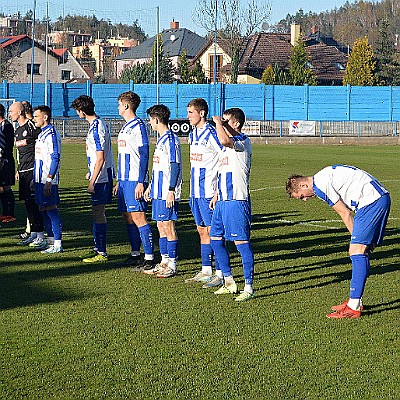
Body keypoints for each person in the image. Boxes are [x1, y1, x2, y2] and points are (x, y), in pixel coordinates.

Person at [286, 165, 391, 319]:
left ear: (303, 185)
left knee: (356, 251)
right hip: (376, 198)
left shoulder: (320, 185)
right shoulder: (322, 176)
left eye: (302, 196)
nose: (305, 199)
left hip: (371, 202)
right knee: (361, 251)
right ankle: (356, 300)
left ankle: (353, 306)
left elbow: (345, 213)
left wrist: (355, 237)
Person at [210, 108, 255, 301]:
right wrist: (217, 193)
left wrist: (219, 123)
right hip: (222, 201)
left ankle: (249, 287)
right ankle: (229, 281)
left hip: (237, 201)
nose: (222, 123)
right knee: (215, 239)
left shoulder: (243, 142)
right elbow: (224, 172)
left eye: (227, 121)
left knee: (241, 244)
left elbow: (224, 140)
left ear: (235, 124)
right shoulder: (226, 149)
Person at [71, 95, 115, 263]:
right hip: (98, 175)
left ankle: (102, 252)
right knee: (96, 213)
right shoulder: (95, 125)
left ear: (81, 111)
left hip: (101, 179)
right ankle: (97, 247)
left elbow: (101, 157)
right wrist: (91, 172)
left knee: (99, 213)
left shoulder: (97, 127)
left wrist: (92, 181)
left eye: (77, 110)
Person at [185, 98, 224, 287]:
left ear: (202, 113)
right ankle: (206, 269)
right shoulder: (193, 134)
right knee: (201, 230)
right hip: (195, 192)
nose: (188, 116)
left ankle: (220, 272)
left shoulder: (211, 133)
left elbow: (225, 156)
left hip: (209, 191)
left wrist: (219, 190)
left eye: (191, 112)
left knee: (213, 231)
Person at [114, 91, 154, 270]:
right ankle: (135, 253)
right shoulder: (125, 127)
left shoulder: (139, 126)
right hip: (124, 181)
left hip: (134, 180)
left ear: (126, 105)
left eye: (119, 104)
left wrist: (140, 182)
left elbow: (144, 154)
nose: (118, 107)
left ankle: (150, 257)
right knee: (127, 217)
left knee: (139, 217)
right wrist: (119, 182)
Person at [143, 104, 182, 278]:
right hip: (157, 191)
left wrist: (172, 190)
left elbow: (175, 165)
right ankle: (164, 261)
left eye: (151, 119)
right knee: (160, 225)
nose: (150, 123)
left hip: (167, 191)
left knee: (169, 226)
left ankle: (172, 264)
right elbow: (158, 167)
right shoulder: (160, 140)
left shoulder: (171, 139)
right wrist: (151, 186)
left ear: (156, 120)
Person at [9, 102, 46, 248]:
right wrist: (18, 169)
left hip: (33, 170)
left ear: (19, 112)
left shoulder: (31, 126)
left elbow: (41, 144)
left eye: (11, 111)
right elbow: (19, 153)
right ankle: (33, 234)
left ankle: (41, 235)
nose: (9, 114)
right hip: (23, 172)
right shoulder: (17, 130)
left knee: (34, 204)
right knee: (27, 204)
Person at [32, 106, 63, 253]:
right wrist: (35, 178)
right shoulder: (41, 134)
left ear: (45, 117)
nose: (34, 119)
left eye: (36, 116)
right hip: (39, 180)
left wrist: (49, 179)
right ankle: (50, 241)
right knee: (42, 209)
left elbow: (55, 157)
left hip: (47, 180)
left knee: (51, 209)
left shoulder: (51, 134)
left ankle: (57, 243)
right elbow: (39, 158)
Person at [0, 103, 16, 223]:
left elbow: (8, 145)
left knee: (6, 187)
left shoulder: (7, 126)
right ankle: (5, 212)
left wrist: (2, 157)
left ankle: (10, 214)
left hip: (5, 160)